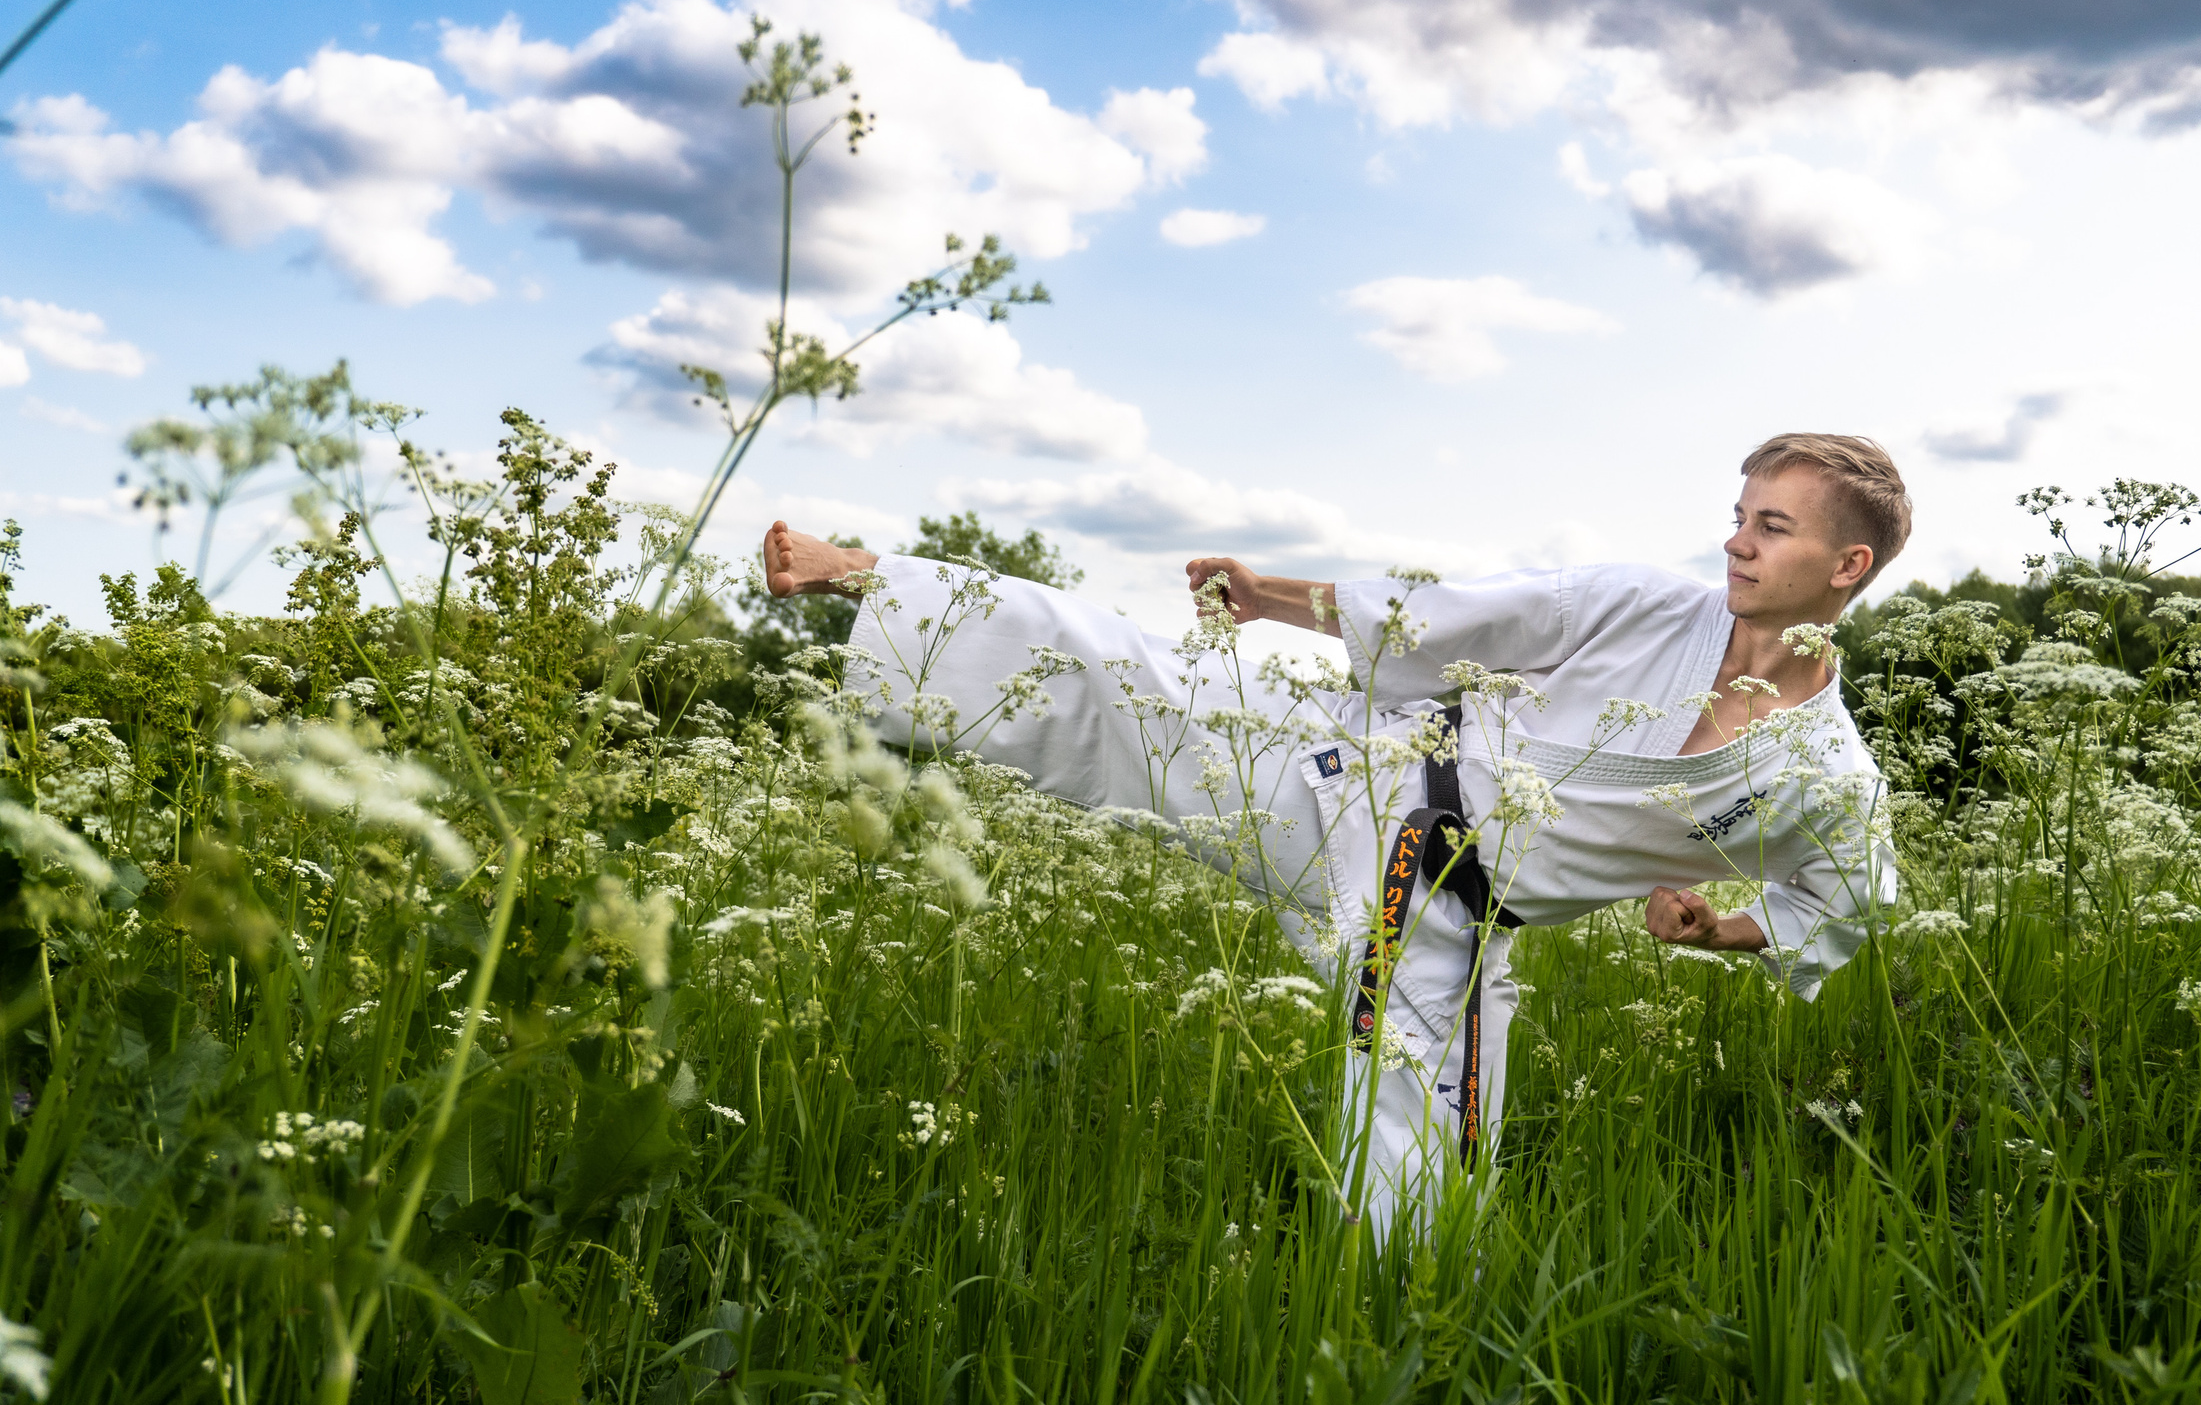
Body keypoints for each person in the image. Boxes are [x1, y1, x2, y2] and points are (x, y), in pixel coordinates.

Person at [763, 433, 1907, 1235]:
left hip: (1444, 916)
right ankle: (868, 580)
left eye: (1770, 526)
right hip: (1354, 768)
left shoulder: (1824, 772)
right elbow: (1453, 613)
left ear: (1845, 566)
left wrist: (1721, 930)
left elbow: (1846, 904)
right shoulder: (1652, 606)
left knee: (1419, 1164)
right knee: (1132, 679)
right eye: (1737, 517)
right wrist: (1266, 599)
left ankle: (1405, 1353)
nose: (1736, 545)